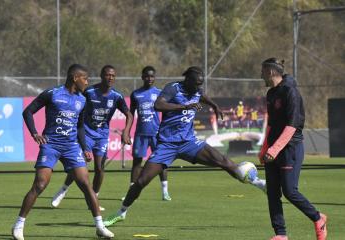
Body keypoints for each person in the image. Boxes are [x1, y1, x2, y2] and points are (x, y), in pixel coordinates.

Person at [103, 66, 266, 227]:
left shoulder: (197, 91)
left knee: (222, 160)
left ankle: (259, 183)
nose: (198, 87)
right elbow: (158, 105)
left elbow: (203, 96)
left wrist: (214, 106)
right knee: (141, 181)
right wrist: (184, 107)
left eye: (200, 84)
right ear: (187, 80)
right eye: (196, 83)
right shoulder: (173, 89)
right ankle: (121, 213)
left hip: (189, 142)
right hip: (167, 145)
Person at [11, 64, 114, 240]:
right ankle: (18, 224)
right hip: (51, 145)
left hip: (71, 146)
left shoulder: (82, 100)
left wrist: (85, 147)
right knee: (40, 184)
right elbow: (28, 111)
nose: (87, 82)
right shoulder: (52, 94)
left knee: (85, 184)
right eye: (85, 78)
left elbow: (80, 126)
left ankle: (99, 226)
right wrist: (35, 133)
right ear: (75, 78)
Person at [259, 58, 327, 240]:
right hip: (273, 149)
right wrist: (264, 148)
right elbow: (271, 125)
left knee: (290, 191)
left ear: (271, 72)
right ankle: (281, 235)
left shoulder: (291, 92)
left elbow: (292, 126)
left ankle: (318, 217)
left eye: (263, 71)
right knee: (272, 193)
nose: (261, 75)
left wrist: (274, 150)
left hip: (290, 148)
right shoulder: (271, 94)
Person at [50, 65, 133, 210]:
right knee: (78, 165)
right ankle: (63, 189)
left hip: (101, 136)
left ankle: (94, 199)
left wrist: (126, 132)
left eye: (113, 75)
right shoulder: (90, 92)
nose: (110, 78)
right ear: (101, 76)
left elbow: (129, 115)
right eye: (107, 75)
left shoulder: (116, 96)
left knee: (100, 169)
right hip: (86, 133)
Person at [129, 66, 171, 201]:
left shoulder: (159, 93)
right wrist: (126, 132)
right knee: (137, 162)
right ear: (142, 77)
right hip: (141, 134)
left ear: (155, 77)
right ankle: (132, 191)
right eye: (147, 76)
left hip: (156, 134)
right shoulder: (136, 94)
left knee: (161, 162)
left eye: (152, 76)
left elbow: (166, 112)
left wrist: (165, 130)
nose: (149, 79)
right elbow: (130, 114)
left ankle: (165, 192)